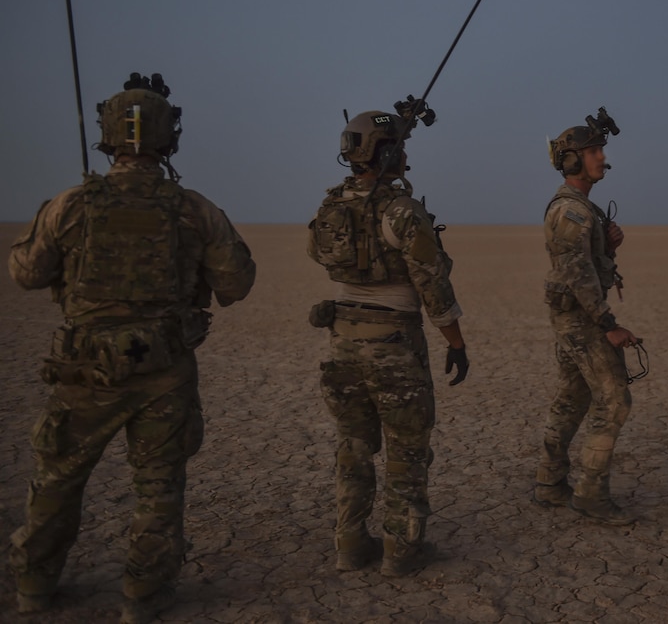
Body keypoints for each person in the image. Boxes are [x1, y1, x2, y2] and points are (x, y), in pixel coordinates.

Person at [8, 73, 256, 623]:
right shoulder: (195, 209)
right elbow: (236, 284)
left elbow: (26, 272)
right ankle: (143, 598)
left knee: (58, 477)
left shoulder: (72, 203)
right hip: (165, 371)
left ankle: (34, 585)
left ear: (107, 134)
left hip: (85, 371)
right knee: (159, 487)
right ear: (170, 137)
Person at [307, 104, 468, 578]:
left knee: (353, 446)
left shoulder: (330, 207)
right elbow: (433, 285)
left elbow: (316, 251)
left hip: (342, 345)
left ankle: (350, 544)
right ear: (389, 152)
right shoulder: (401, 212)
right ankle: (402, 550)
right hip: (393, 347)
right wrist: (455, 343)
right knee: (407, 448)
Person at [532, 108, 640, 526]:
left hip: (574, 320)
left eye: (600, 149)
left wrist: (609, 248)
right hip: (582, 322)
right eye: (593, 150)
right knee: (614, 402)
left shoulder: (584, 209)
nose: (601, 157)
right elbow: (577, 275)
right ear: (572, 159)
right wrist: (608, 326)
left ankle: (549, 484)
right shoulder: (572, 211)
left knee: (572, 399)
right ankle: (590, 496)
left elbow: (587, 264)